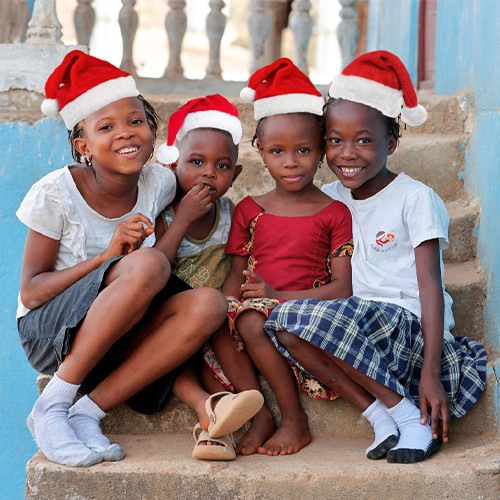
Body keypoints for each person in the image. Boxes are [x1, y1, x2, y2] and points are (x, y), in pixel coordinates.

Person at [264, 50, 487, 463]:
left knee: (326, 312)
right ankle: (385, 415)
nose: (348, 153)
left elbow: (431, 290)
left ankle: (414, 419)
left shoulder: (415, 199)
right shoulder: (325, 199)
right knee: (282, 323)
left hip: (407, 327)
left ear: (393, 142)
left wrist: (431, 374)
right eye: (335, 140)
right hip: (354, 328)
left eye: (365, 140)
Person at [16, 50, 230, 468]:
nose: (126, 134)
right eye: (106, 127)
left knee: (209, 303)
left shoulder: (160, 182)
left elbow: (207, 177)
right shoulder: (55, 194)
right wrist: (107, 257)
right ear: (83, 145)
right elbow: (32, 291)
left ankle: (87, 412)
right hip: (50, 332)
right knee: (148, 264)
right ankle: (53, 405)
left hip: (119, 325)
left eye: (136, 122)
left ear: (152, 132)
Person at [208, 58, 353, 457]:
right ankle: (258, 416)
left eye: (303, 150)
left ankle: (294, 419)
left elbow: (343, 288)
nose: (290, 162)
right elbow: (237, 272)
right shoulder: (250, 210)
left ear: (321, 150)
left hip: (308, 309)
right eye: (277, 151)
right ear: (259, 152)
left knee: (252, 320)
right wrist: (226, 306)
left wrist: (277, 296)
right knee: (223, 320)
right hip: (257, 305)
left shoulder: (333, 212)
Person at [154, 94, 263, 461]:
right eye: (196, 162)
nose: (208, 173)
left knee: (219, 356)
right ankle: (218, 418)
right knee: (179, 363)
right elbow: (155, 269)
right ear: (173, 165)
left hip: (216, 318)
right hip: (173, 320)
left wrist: (228, 305)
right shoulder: (165, 216)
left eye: (222, 165)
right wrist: (183, 219)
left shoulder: (231, 214)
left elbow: (236, 267)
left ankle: (229, 423)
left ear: (236, 174)